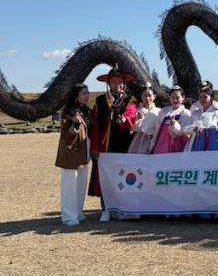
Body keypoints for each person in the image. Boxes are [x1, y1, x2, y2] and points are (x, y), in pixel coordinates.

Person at [89, 65, 138, 223]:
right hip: (105, 145)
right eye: (114, 82)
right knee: (105, 177)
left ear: (124, 84)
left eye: (120, 82)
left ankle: (121, 208)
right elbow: (95, 127)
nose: (117, 85)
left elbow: (132, 113)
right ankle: (106, 209)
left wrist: (125, 119)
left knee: (122, 176)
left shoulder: (129, 100)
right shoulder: (100, 101)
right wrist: (95, 147)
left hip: (124, 143)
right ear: (109, 83)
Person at [55, 83, 92, 227]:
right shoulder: (68, 112)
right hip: (71, 154)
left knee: (81, 185)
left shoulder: (86, 111)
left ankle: (77, 211)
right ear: (76, 96)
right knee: (69, 186)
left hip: (84, 153)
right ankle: (68, 216)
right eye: (83, 93)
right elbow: (66, 132)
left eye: (87, 93)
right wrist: (75, 124)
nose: (86, 96)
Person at [186, 81, 218, 151]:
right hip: (197, 146)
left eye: (205, 97)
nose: (202, 99)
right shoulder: (195, 113)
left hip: (213, 146)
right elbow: (185, 129)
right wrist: (193, 128)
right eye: (200, 97)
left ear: (211, 97)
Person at [151, 86, 192, 154]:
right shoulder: (164, 111)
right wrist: (152, 145)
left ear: (183, 98)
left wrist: (175, 126)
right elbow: (157, 130)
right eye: (172, 97)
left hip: (177, 146)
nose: (175, 100)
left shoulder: (185, 113)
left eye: (177, 97)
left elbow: (186, 132)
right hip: (161, 145)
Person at [127, 83, 161, 154]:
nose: (147, 98)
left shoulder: (159, 111)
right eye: (144, 96)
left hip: (155, 141)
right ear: (141, 96)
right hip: (139, 141)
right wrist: (138, 120)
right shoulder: (136, 110)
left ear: (154, 96)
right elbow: (131, 128)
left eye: (149, 95)